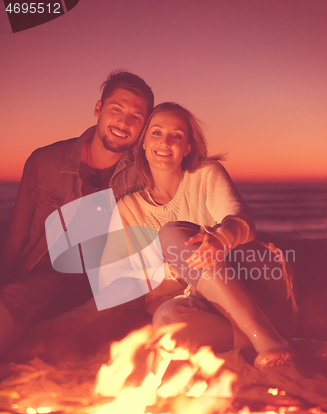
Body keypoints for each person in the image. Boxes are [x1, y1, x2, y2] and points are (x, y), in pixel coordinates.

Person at [99, 102, 295, 368]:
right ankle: (273, 341)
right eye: (156, 133)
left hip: (253, 281)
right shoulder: (129, 209)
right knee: (166, 320)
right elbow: (139, 285)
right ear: (143, 142)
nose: (165, 142)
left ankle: (263, 335)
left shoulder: (205, 175)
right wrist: (182, 267)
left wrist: (221, 240)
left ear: (187, 147)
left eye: (176, 136)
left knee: (172, 236)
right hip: (204, 306)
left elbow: (243, 222)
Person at [0, 71, 154, 359]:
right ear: (99, 109)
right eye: (116, 109)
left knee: (96, 321)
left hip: (106, 284)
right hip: (49, 276)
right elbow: (16, 238)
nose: (124, 122)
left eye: (137, 117)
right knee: (12, 303)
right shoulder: (44, 162)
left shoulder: (147, 174)